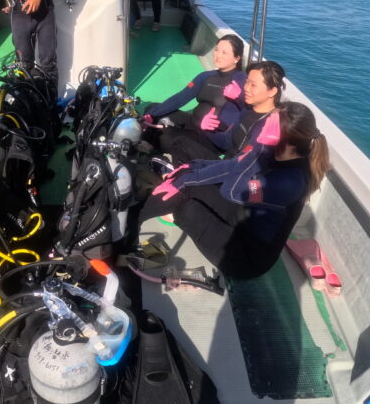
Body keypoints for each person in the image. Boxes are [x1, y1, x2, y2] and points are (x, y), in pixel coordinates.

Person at [140, 101, 330, 279]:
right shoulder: (279, 154)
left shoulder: (290, 181)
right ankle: (133, 214)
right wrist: (190, 171)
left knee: (185, 206)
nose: (263, 127)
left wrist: (262, 148)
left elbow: (230, 191)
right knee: (186, 184)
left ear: (284, 138)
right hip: (242, 221)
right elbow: (232, 165)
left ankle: (128, 227)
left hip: (246, 257)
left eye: (269, 125)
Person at [143, 34, 247, 160]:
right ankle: (149, 144)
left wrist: (240, 96)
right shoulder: (206, 76)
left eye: (224, 52)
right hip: (192, 122)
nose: (217, 55)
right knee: (151, 108)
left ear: (237, 58)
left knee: (163, 137)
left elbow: (249, 110)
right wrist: (152, 114)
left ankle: (152, 151)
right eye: (217, 50)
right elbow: (181, 98)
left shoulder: (240, 81)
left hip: (210, 138)